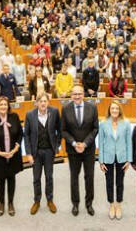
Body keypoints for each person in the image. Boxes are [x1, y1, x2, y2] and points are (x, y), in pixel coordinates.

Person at [61, 85, 99, 217]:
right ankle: (75, 204)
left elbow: (95, 129)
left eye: (79, 94)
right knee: (74, 177)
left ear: (84, 94)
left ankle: (89, 203)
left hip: (88, 150)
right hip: (73, 150)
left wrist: (85, 143)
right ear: (71, 95)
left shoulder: (92, 108)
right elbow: (63, 130)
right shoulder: (65, 109)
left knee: (89, 177)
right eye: (74, 94)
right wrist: (73, 143)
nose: (77, 96)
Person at [24, 94, 61, 215]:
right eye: (41, 101)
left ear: (48, 102)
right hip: (36, 152)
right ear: (37, 103)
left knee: (49, 177)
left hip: (49, 151)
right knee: (36, 178)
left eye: (45, 101)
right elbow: (27, 135)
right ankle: (37, 201)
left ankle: (50, 200)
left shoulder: (54, 112)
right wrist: (28, 153)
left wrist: (57, 145)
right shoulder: (30, 114)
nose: (43, 103)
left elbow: (60, 130)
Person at [0, 97, 23, 217]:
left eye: (5, 105)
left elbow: (20, 134)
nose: (3, 107)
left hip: (13, 155)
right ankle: (1, 203)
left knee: (11, 179)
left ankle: (11, 203)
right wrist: (0, 152)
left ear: (8, 106)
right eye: (1, 105)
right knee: (0, 180)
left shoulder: (14, 117)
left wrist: (15, 149)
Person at [98, 101, 133, 220]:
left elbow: (129, 142)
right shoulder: (103, 123)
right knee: (109, 182)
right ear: (109, 110)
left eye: (116, 109)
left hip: (122, 157)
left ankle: (118, 204)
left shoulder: (126, 123)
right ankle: (111, 205)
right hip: (107, 156)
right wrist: (101, 161)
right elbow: (101, 143)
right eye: (112, 108)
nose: (114, 111)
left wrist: (129, 160)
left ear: (120, 110)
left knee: (119, 182)